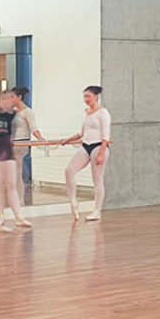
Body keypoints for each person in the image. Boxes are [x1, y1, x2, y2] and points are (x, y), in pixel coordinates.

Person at [62, 85, 111, 222]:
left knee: (97, 180)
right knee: (69, 171)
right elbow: (81, 133)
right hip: (86, 146)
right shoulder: (86, 112)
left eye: (89, 96)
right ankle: (73, 201)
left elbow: (105, 136)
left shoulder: (103, 113)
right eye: (85, 96)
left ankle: (97, 211)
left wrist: (101, 153)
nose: (86, 99)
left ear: (96, 96)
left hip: (98, 147)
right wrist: (68, 139)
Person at [3, 86, 42, 212]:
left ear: (19, 97)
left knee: (17, 172)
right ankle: (14, 199)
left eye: (12, 97)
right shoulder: (11, 111)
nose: (10, 99)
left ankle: (19, 200)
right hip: (11, 143)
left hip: (21, 144)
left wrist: (41, 138)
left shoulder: (27, 112)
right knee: (13, 173)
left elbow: (33, 127)